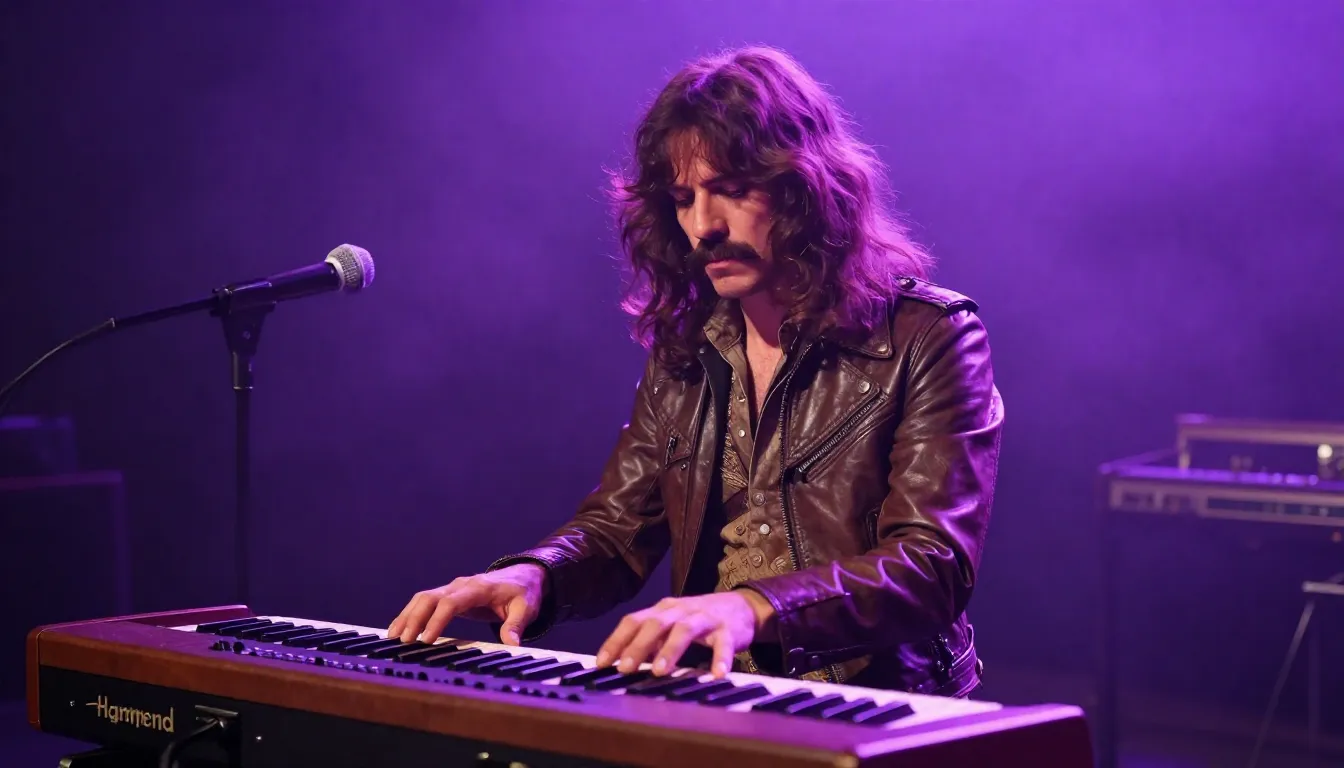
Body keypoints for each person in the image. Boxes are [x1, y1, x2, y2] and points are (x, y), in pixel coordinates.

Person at [388, 45, 1002, 697]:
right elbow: (618, 530)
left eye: (732, 191)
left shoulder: (928, 336)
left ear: (806, 188)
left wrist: (752, 607)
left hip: (878, 701)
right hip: (718, 692)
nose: (703, 225)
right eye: (683, 199)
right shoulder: (687, 347)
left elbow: (931, 565)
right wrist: (535, 575)